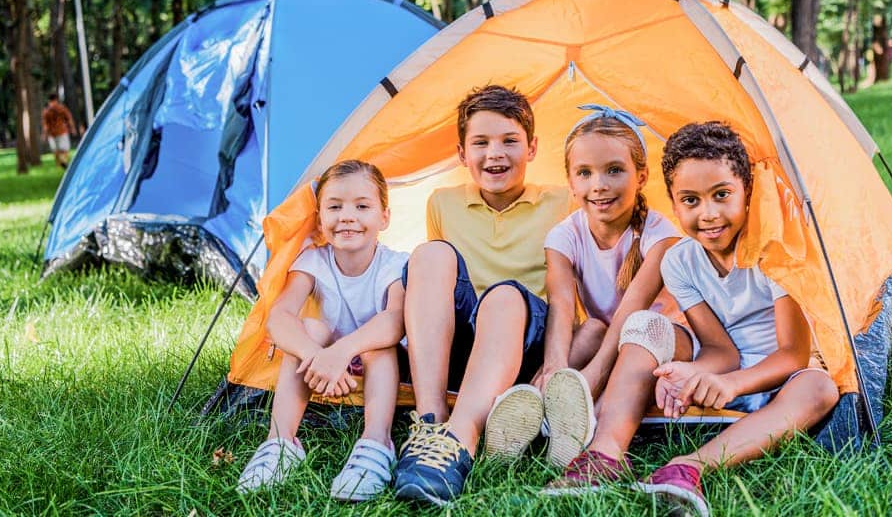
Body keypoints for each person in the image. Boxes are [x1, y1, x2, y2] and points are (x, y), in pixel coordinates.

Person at [635, 122, 840, 516]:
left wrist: (731, 384)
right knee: (655, 370)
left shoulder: (774, 252)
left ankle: (688, 467)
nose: (708, 214)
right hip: (724, 379)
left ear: (747, 192)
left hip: (778, 376)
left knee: (821, 389)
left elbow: (793, 354)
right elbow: (718, 348)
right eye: (691, 200)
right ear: (674, 205)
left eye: (721, 195)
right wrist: (694, 374)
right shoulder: (678, 262)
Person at [483, 106, 690, 487]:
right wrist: (555, 370)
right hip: (608, 337)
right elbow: (562, 307)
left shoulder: (661, 236)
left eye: (614, 170)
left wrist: (590, 377)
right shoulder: (564, 235)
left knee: (638, 328)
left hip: (663, 341)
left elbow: (631, 311)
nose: (599, 185)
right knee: (591, 327)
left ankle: (573, 418)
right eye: (585, 173)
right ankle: (537, 405)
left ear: (641, 176)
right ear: (570, 182)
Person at [391, 85, 570, 506]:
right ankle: (430, 423)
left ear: (532, 148)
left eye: (510, 141)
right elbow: (439, 291)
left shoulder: (564, 201)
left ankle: (461, 438)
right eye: (481, 143)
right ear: (461, 153)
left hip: (523, 342)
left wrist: (558, 361)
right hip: (465, 344)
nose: (495, 154)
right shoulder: (442, 203)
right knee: (431, 254)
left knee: (504, 296)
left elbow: (569, 287)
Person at [236, 159, 409, 502]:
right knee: (310, 329)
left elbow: (394, 321)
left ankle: (377, 443)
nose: (347, 216)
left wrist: (341, 352)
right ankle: (280, 443)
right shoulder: (313, 261)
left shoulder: (395, 264)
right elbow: (279, 317)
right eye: (334, 206)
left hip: (379, 364)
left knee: (377, 343)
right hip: (323, 364)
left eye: (362, 206)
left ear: (384, 217)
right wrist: (316, 356)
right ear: (319, 219)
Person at [41, 93, 78, 169]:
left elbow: (45, 125)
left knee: (56, 150)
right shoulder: (61, 108)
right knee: (65, 149)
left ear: (49, 100)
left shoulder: (46, 111)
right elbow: (69, 119)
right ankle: (63, 161)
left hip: (52, 134)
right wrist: (73, 128)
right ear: (56, 99)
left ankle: (58, 165)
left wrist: (44, 134)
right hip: (62, 131)